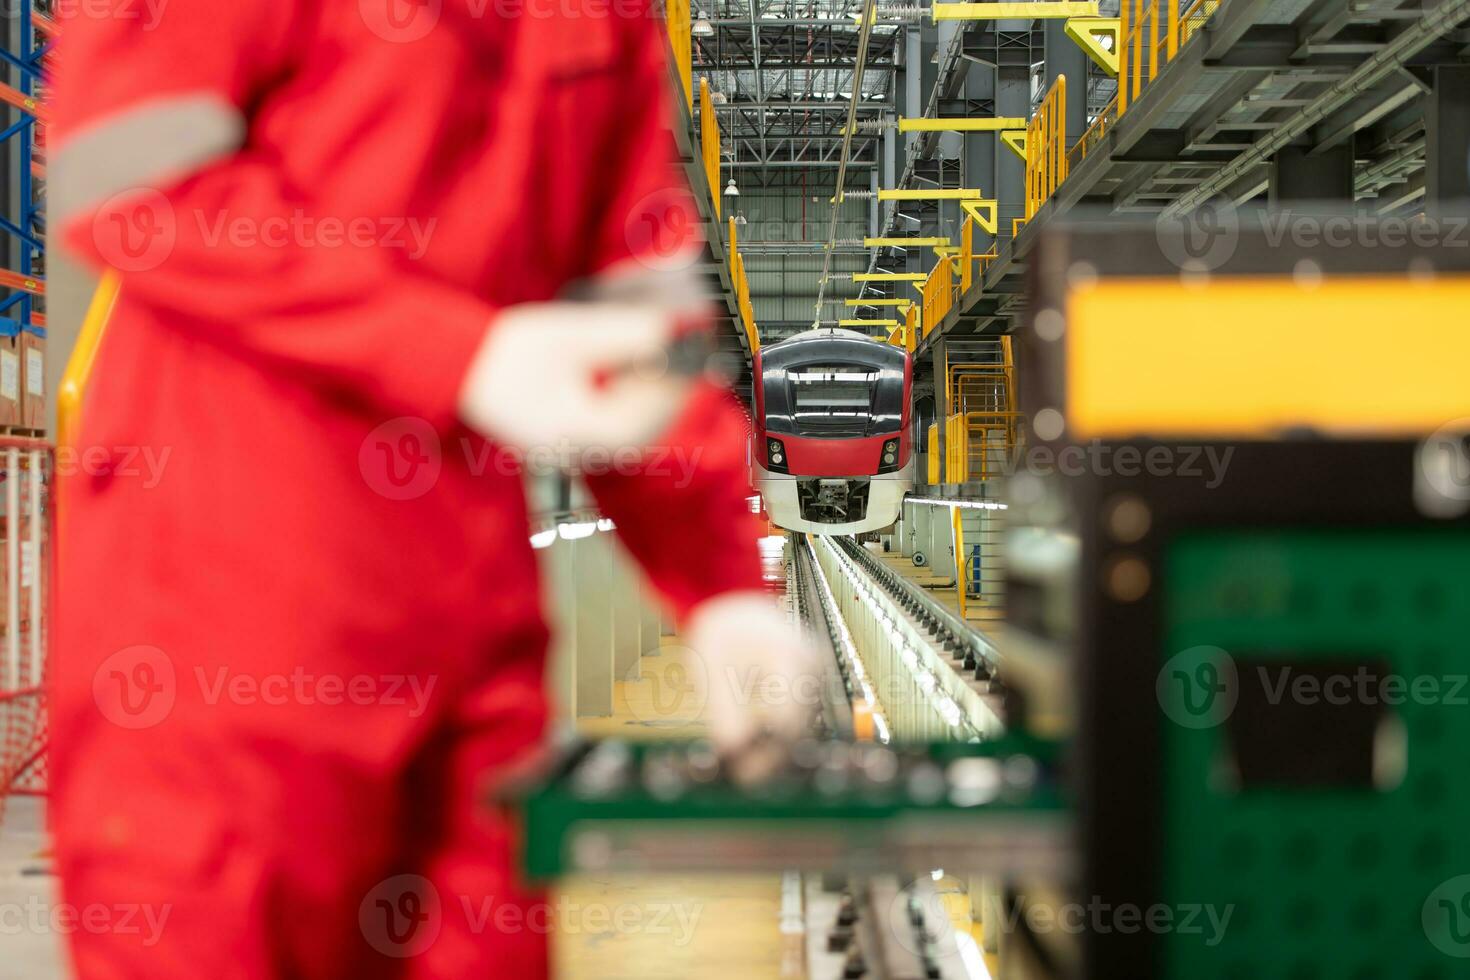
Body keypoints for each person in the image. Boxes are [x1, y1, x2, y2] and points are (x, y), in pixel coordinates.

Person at [48, 1, 814, 976]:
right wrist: (454, 353)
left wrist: (722, 590)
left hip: (471, 651)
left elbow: (628, 313)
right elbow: (122, 174)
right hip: (222, 631)